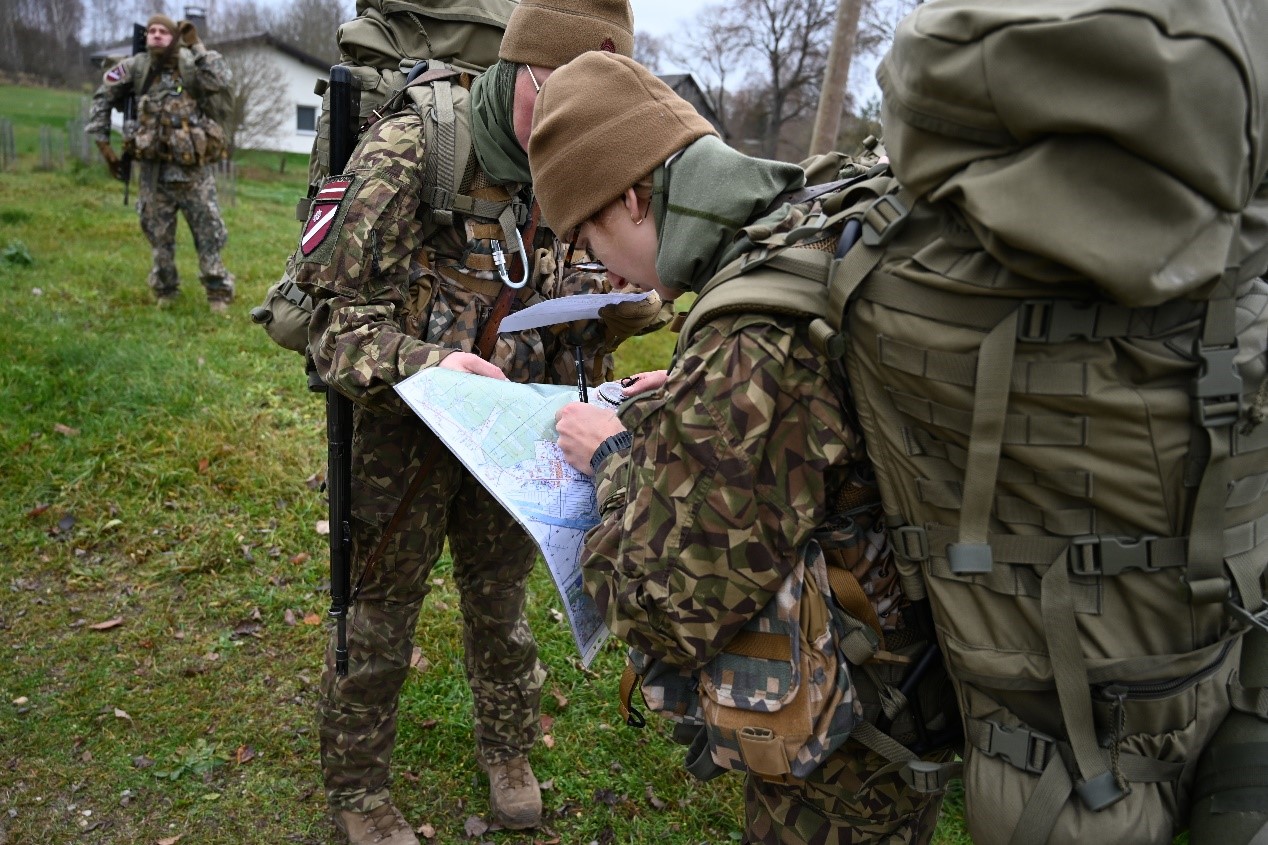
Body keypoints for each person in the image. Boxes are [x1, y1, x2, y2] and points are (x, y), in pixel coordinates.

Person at [532, 52, 958, 844]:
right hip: (912, 668)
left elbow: (662, 605)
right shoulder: (807, 219)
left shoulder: (748, 337)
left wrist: (616, 456)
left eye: (586, 234)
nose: (594, 262)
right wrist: (695, 404)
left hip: (848, 747)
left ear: (630, 196)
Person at [288, 3, 663, 844]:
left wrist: (623, 310)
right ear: (519, 71)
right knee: (378, 612)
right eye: (564, 94)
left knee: (500, 605)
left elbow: (569, 297)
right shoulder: (414, 149)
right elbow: (332, 330)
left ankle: (508, 751)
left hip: (516, 433)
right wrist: (429, 368)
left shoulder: (579, 158)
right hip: (403, 431)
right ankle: (358, 791)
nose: (580, 124)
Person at [88, 14, 234, 313]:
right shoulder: (136, 67)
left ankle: (217, 293)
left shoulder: (190, 63)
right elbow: (102, 96)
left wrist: (197, 45)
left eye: (163, 31)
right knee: (159, 239)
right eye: (151, 31)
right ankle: (165, 291)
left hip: (195, 174)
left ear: (174, 37)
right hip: (153, 174)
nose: (156, 35)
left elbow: (221, 80)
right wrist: (104, 146)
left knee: (210, 235)